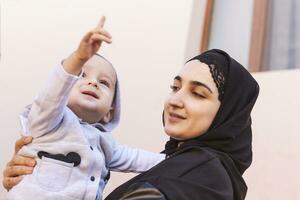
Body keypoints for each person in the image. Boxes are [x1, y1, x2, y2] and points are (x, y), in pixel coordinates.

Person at [3, 49, 259, 200]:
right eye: (175, 87)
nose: (174, 101)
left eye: (198, 94)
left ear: (228, 113)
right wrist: (43, 172)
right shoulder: (181, 164)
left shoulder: (202, 175)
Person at [4, 16, 164, 200]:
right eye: (82, 74)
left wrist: (173, 160)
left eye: (104, 82)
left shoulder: (105, 143)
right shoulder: (47, 121)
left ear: (109, 113)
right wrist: (78, 58)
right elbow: (52, 94)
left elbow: (135, 159)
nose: (92, 82)